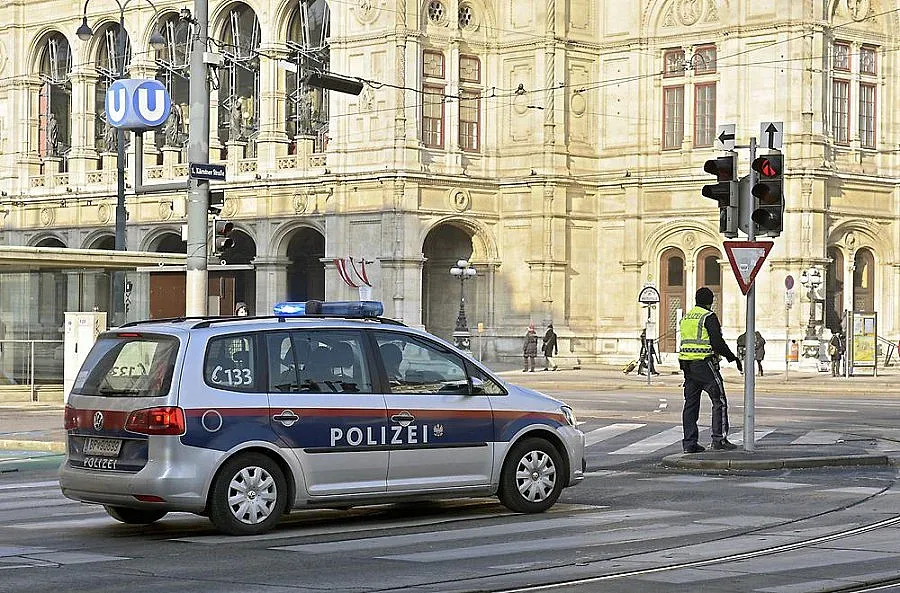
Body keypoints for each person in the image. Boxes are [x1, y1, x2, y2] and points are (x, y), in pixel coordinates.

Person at [678, 287, 743, 453]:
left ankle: (689, 443)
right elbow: (717, 342)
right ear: (711, 301)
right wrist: (732, 357)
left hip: (687, 365)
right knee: (719, 400)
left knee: (690, 405)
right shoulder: (708, 316)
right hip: (704, 364)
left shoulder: (687, 317)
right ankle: (719, 439)